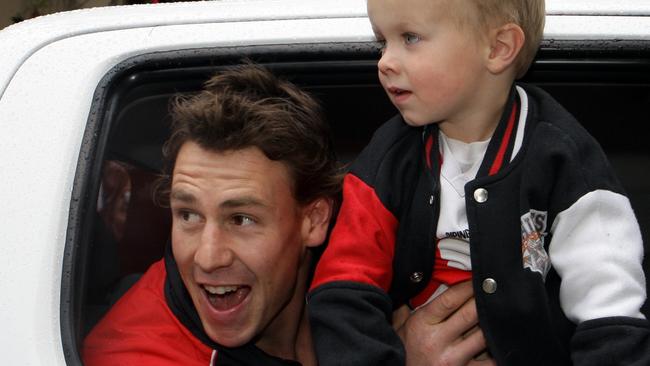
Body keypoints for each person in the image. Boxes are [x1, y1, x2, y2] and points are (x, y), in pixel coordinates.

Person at [307, 1, 650, 365]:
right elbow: (342, 291)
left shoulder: (563, 160)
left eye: (410, 37)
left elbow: (611, 309)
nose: (385, 61)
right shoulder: (387, 161)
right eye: (382, 42)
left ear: (499, 48)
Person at [82, 63, 493, 366]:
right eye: (188, 215)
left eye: (241, 219)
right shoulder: (133, 354)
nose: (208, 257)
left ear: (313, 221)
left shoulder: (357, 280)